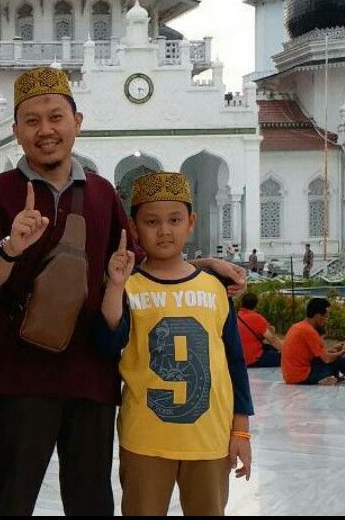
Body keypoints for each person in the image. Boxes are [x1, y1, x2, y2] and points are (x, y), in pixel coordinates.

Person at [0, 67, 248, 517]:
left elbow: (133, 265)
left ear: (77, 122)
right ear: (15, 130)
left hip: (90, 374)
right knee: (12, 500)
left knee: (91, 500)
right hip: (21, 377)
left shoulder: (100, 194)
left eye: (56, 117)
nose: (46, 130)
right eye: (32, 120)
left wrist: (200, 266)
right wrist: (10, 248)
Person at [98, 171, 253, 516]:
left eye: (174, 220)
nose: (164, 230)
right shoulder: (131, 286)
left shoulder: (216, 287)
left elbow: (234, 361)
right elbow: (110, 338)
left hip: (209, 438)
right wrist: (114, 285)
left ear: (191, 223)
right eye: (151, 221)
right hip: (145, 437)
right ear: (135, 228)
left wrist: (240, 432)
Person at [281, 298, 345, 385]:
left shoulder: (298, 326)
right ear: (317, 316)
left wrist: (335, 349)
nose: (327, 320)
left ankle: (331, 377)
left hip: (290, 376)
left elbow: (319, 354)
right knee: (341, 361)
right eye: (326, 316)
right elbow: (327, 359)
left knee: (333, 358)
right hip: (302, 377)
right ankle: (323, 378)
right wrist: (342, 352)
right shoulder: (309, 331)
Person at [237, 293, 283, 367]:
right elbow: (272, 339)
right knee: (284, 358)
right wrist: (287, 351)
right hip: (252, 359)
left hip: (240, 358)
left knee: (271, 348)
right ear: (256, 305)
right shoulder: (256, 318)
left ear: (242, 304)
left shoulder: (236, 316)